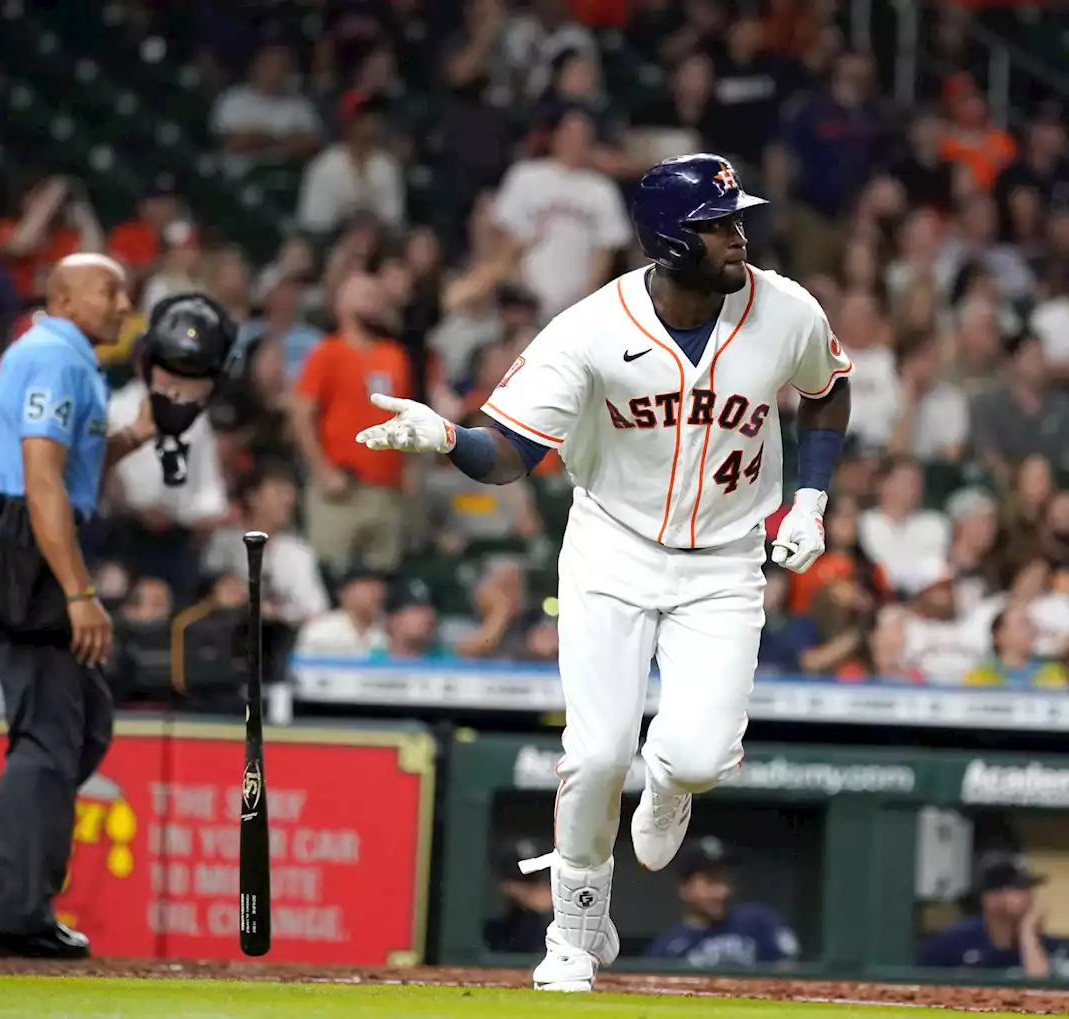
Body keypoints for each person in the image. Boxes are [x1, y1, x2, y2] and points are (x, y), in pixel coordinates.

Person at [356, 153, 852, 991]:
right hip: (612, 546)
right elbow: (511, 455)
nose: (739, 236)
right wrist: (446, 439)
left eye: (737, 220)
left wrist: (809, 501)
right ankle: (577, 926)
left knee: (692, 755)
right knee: (594, 753)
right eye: (719, 224)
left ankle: (671, 783)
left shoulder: (785, 307)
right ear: (669, 241)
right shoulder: (591, 326)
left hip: (727, 558)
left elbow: (829, 389)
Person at [0, 277, 241, 959]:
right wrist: (80, 592)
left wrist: (139, 431)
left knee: (84, 720)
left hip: (28, 541)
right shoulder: (56, 357)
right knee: (50, 735)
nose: (123, 306)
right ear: (65, 300)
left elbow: (75, 462)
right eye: (108, 294)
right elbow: (44, 478)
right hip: (26, 544)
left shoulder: (75, 363)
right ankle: (15, 912)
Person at [647, 836, 800, 967]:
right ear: (684, 887)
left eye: (727, 879)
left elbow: (789, 973)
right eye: (712, 881)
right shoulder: (667, 948)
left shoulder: (758, 923)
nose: (723, 891)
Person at [917, 853, 1068, 979]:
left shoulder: (1049, 945)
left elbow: (1042, 992)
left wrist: (1027, 931)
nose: (1029, 896)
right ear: (991, 898)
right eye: (1019, 888)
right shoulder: (951, 942)